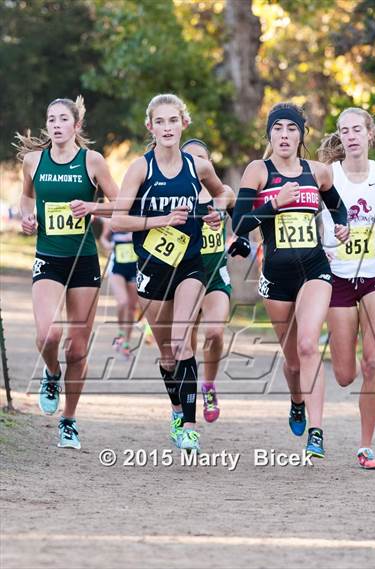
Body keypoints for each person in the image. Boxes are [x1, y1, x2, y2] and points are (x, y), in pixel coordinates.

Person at [111, 94, 230, 452]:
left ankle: (190, 427)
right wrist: (161, 220)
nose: (167, 128)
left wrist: (216, 211)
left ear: (183, 124)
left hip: (190, 264)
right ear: (151, 127)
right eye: (160, 122)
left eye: (173, 121)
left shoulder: (198, 166)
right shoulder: (140, 168)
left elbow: (224, 193)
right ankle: (178, 411)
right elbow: (118, 218)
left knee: (181, 343)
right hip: (150, 268)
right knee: (166, 354)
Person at [233, 103, 348, 458]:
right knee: (293, 360)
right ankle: (296, 399)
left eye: (291, 129)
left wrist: (341, 225)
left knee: (310, 345)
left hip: (314, 268)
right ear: (269, 134)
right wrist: (274, 204)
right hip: (276, 277)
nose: (284, 135)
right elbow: (239, 223)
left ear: (301, 135)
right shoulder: (258, 171)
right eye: (278, 128)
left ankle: (317, 431)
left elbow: (337, 206)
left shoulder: (319, 172)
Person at [17, 96, 118, 449]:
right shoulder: (33, 161)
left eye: (63, 119)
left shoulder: (92, 161)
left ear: (76, 126)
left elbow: (120, 204)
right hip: (48, 258)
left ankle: (69, 420)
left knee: (77, 348)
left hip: (84, 262)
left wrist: (93, 207)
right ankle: (51, 374)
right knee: (49, 335)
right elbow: (26, 200)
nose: (56, 125)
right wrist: (26, 219)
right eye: (51, 119)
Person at [318, 106, 375, 469]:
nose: (351, 135)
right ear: (340, 136)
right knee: (344, 375)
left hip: (373, 275)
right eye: (344, 130)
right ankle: (344, 347)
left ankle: (366, 446)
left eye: (357, 129)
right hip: (336, 276)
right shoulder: (326, 174)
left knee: (373, 361)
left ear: (371, 133)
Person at [182, 139, 251, 423]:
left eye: (202, 158)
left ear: (209, 162)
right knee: (186, 343)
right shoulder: (175, 196)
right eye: (191, 158)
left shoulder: (222, 193)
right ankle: (183, 405)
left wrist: (242, 238)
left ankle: (208, 386)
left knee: (215, 332)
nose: (197, 164)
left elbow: (240, 217)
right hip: (183, 275)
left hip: (214, 275)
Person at [100, 219, 139, 359]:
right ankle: (121, 334)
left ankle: (127, 343)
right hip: (117, 267)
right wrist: (108, 245)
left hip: (135, 267)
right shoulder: (112, 218)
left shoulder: (138, 214)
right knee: (123, 302)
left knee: (132, 307)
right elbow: (103, 238)